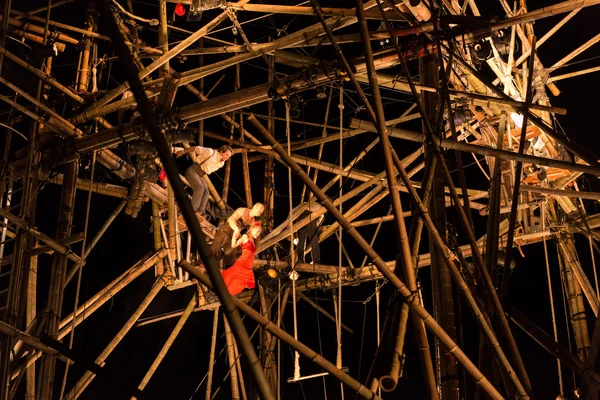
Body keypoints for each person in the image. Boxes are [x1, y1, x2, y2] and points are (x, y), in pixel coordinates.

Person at [174, 144, 233, 215]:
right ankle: (192, 210)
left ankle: (200, 212)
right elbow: (196, 148)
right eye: (226, 155)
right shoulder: (210, 152)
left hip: (200, 175)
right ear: (221, 152)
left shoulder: (221, 164)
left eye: (229, 156)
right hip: (192, 171)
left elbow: (207, 170)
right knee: (200, 188)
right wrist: (183, 151)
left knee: (206, 192)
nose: (227, 157)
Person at [221, 222, 262, 296]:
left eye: (259, 232)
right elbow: (233, 245)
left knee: (238, 285)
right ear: (252, 229)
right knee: (229, 278)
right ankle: (220, 291)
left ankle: (223, 294)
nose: (258, 233)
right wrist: (234, 236)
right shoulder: (245, 237)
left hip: (248, 266)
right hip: (242, 264)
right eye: (258, 231)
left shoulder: (254, 242)